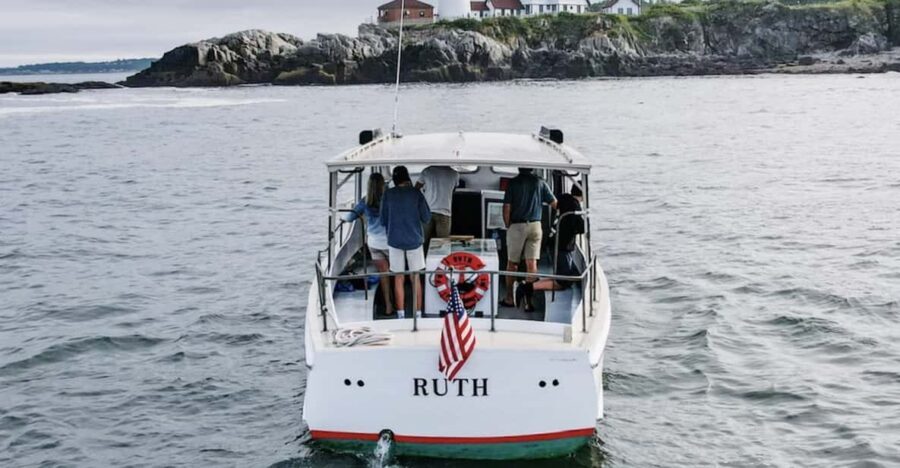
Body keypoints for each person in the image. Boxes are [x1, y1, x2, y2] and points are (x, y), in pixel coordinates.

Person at [501, 168, 557, 312]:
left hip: (517, 226)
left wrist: (507, 225)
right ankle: (528, 302)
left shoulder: (513, 183)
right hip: (536, 225)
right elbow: (554, 203)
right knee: (531, 264)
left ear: (519, 168)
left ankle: (509, 298)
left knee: (512, 264)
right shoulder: (540, 182)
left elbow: (507, 207)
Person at [380, 166, 431, 318]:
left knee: (398, 277)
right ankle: (418, 314)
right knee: (415, 278)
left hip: (394, 241)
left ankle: (401, 315)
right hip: (414, 240)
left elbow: (382, 220)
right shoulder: (416, 193)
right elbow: (426, 218)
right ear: (407, 177)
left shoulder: (388, 194)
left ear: (395, 180)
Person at [516, 192, 585, 299]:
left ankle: (528, 285)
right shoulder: (574, 206)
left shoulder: (563, 199)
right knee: (562, 282)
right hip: (562, 246)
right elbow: (581, 227)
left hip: (553, 241)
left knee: (565, 276)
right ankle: (527, 288)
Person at [344, 173, 393, 317]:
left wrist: (344, 217)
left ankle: (388, 306)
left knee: (384, 274)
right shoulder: (389, 199)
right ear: (383, 185)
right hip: (390, 243)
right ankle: (399, 302)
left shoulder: (365, 202)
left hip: (374, 243)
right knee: (397, 273)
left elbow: (349, 217)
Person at [416, 166, 459, 252]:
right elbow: (453, 189)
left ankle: (423, 259)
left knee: (423, 242)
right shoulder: (454, 174)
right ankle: (441, 260)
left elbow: (416, 188)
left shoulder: (427, 171)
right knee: (443, 245)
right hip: (445, 212)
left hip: (427, 212)